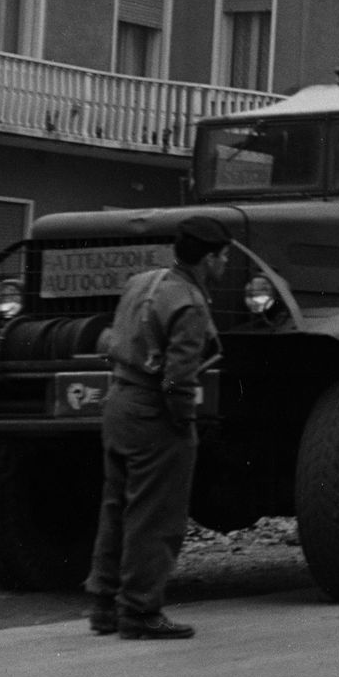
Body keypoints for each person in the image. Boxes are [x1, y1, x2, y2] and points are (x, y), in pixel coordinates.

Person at [84, 215, 231, 640]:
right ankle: (141, 612)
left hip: (119, 404)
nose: (223, 266)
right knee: (156, 516)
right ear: (207, 259)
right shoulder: (190, 304)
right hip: (154, 414)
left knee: (116, 509)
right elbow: (176, 377)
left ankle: (103, 606)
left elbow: (114, 336)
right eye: (222, 258)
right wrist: (183, 421)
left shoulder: (142, 282)